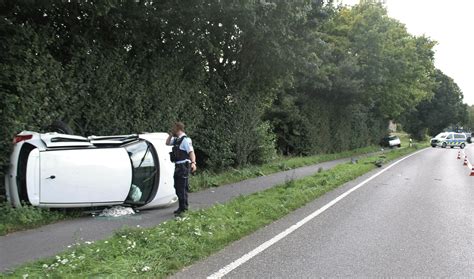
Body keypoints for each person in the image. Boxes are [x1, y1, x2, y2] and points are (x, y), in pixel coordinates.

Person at [166, 122, 197, 215]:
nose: (172, 129)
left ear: (178, 128)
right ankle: (181, 206)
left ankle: (184, 208)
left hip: (183, 165)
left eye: (173, 128)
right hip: (178, 166)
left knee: (182, 187)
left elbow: (191, 152)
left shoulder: (185, 140)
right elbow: (167, 143)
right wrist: (171, 135)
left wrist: (193, 163)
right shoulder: (176, 140)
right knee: (177, 186)